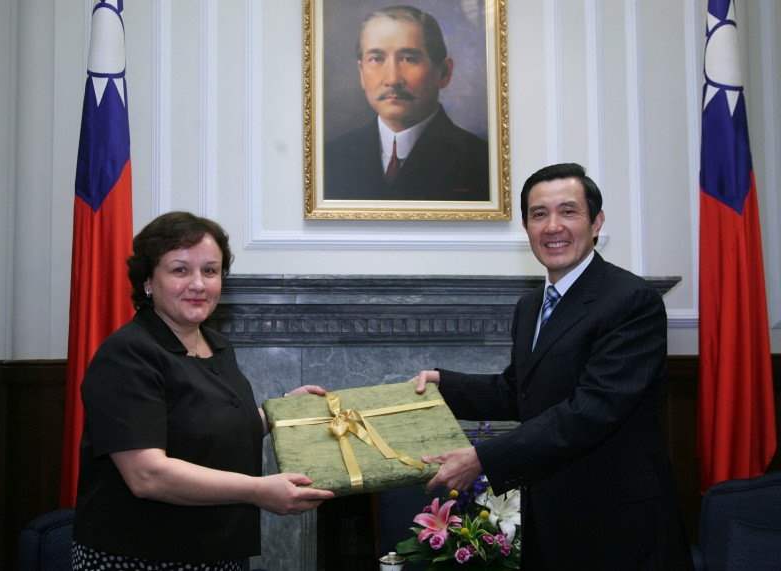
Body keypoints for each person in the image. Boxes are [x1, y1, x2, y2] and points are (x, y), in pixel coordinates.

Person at [413, 163, 693, 570]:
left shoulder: (631, 300)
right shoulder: (531, 306)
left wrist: (483, 458)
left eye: (568, 211)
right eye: (539, 214)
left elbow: (591, 409)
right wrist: (445, 386)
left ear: (596, 222)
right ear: (526, 227)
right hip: (550, 520)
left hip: (619, 528)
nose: (552, 226)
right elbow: (522, 391)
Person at [71, 212, 333, 570]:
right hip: (143, 556)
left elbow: (208, 429)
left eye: (210, 271)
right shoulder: (127, 354)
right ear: (148, 281)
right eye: (180, 270)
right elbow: (147, 475)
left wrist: (280, 412)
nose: (198, 284)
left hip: (219, 551)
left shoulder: (217, 346)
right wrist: (258, 490)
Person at [324, 5, 489, 201]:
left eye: (409, 59)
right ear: (361, 73)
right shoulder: (331, 158)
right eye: (376, 59)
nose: (393, 79)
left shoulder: (481, 162)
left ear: (444, 73)